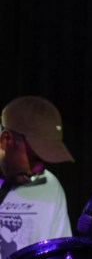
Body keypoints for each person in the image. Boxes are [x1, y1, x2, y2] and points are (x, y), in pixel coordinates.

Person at [0, 96, 75, 257]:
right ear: (6, 140)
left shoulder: (50, 186)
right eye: (34, 158)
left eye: (44, 160)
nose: (39, 169)